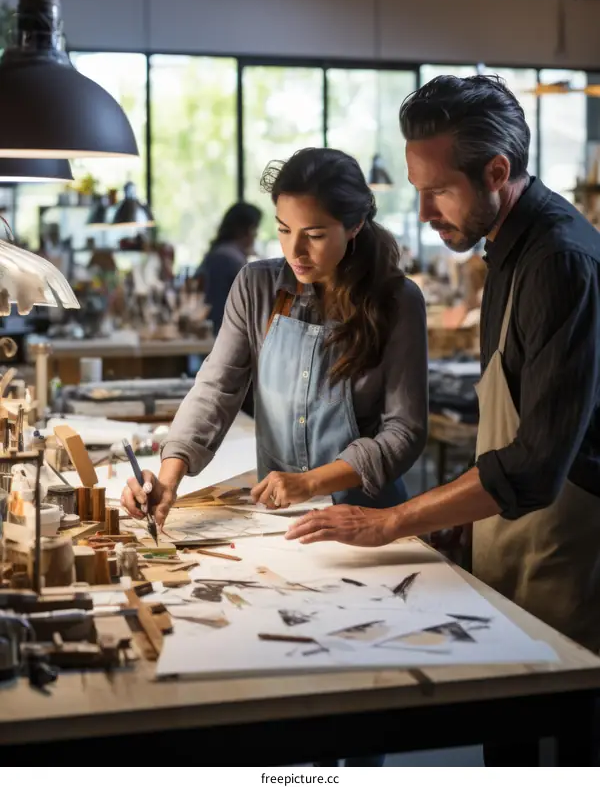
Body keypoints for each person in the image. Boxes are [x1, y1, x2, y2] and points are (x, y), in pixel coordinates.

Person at [286, 76, 600, 765]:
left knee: (560, 756)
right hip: (514, 540)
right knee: (509, 748)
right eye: (415, 188)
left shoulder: (558, 260)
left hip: (567, 556)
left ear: (497, 171)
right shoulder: (506, 247)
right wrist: (461, 508)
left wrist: (394, 519)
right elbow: (512, 417)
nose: (422, 211)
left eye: (437, 190)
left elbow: (541, 461)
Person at [122, 147, 428, 765]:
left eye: (315, 235)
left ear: (356, 225)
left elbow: (404, 432)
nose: (297, 250)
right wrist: (170, 474)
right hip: (278, 526)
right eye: (285, 230)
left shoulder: (397, 300)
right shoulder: (260, 284)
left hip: (365, 526)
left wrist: (315, 481)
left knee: (353, 694)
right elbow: (217, 386)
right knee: (280, 685)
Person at [197, 202, 263, 336]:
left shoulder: (218, 253)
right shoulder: (230, 258)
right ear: (244, 230)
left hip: (215, 331)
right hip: (225, 333)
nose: (255, 236)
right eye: (254, 230)